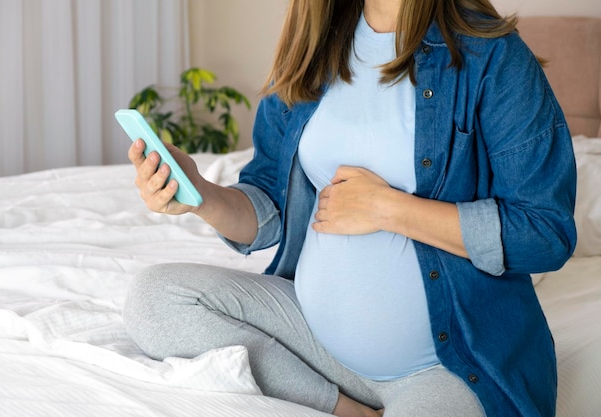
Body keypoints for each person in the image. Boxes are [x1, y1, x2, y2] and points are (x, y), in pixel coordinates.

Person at [123, 0, 577, 416]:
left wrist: (388, 209)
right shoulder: (315, 48)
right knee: (155, 298)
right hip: (316, 343)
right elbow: (268, 207)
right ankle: (346, 408)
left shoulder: (491, 55)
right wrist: (200, 194)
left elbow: (544, 232)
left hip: (445, 366)